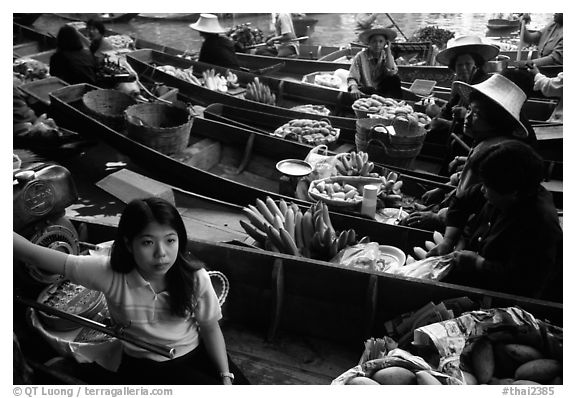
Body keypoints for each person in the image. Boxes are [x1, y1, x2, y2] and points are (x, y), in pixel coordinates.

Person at [13, 197, 248, 385]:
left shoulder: (195, 278)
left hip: (196, 352)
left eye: (170, 240)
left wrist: (226, 376)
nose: (162, 254)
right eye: (147, 242)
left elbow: (209, 328)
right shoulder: (108, 273)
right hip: (147, 365)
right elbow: (33, 253)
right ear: (128, 244)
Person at [426, 141, 562, 300]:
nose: (482, 189)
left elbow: (525, 281)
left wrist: (479, 263)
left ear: (514, 193)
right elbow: (462, 202)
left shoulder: (541, 225)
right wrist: (448, 241)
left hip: (501, 297)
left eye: (487, 186)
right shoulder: (498, 187)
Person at [401, 74, 532, 231]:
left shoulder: (492, 153)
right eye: (469, 109)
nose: (467, 117)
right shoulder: (485, 141)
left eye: (476, 114)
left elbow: (471, 201)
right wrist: (443, 188)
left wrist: (437, 217)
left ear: (496, 122)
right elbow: (466, 177)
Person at [426, 36, 499, 156]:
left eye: (468, 64)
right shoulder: (460, 83)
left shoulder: (484, 85)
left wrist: (464, 114)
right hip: (460, 129)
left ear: (477, 64)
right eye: (459, 65)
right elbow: (448, 108)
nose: (464, 68)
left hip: (478, 138)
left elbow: (486, 123)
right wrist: (438, 119)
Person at [347, 25, 402, 100]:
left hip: (380, 89)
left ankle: (396, 102)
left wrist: (388, 51)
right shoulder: (360, 56)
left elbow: (392, 72)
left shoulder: (386, 55)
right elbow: (352, 77)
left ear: (385, 43)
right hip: (366, 90)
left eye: (381, 41)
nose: (377, 45)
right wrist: (354, 88)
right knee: (370, 89)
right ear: (369, 43)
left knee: (395, 79)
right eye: (374, 41)